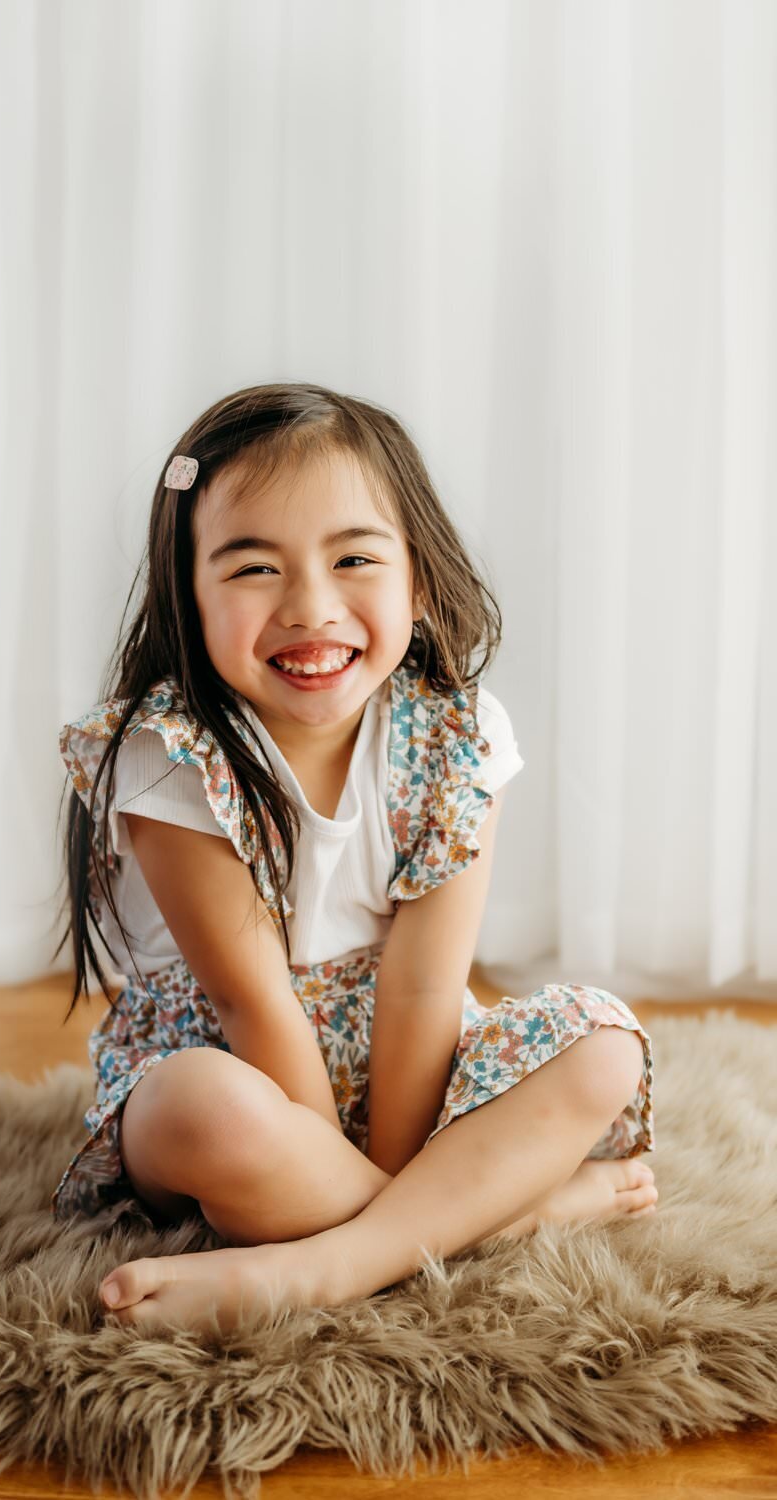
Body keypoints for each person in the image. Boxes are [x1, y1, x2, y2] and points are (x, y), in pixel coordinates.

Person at [50, 381, 656, 1336]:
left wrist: (384, 1181)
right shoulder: (168, 755)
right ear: (189, 592)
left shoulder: (458, 735)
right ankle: (492, 1216)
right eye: (253, 568)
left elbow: (423, 989)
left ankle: (320, 1268)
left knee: (605, 1051)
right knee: (209, 1113)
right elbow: (255, 1001)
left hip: (406, 1054)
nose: (311, 607)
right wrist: (428, 1195)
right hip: (230, 1057)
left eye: (355, 558)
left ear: (418, 579)